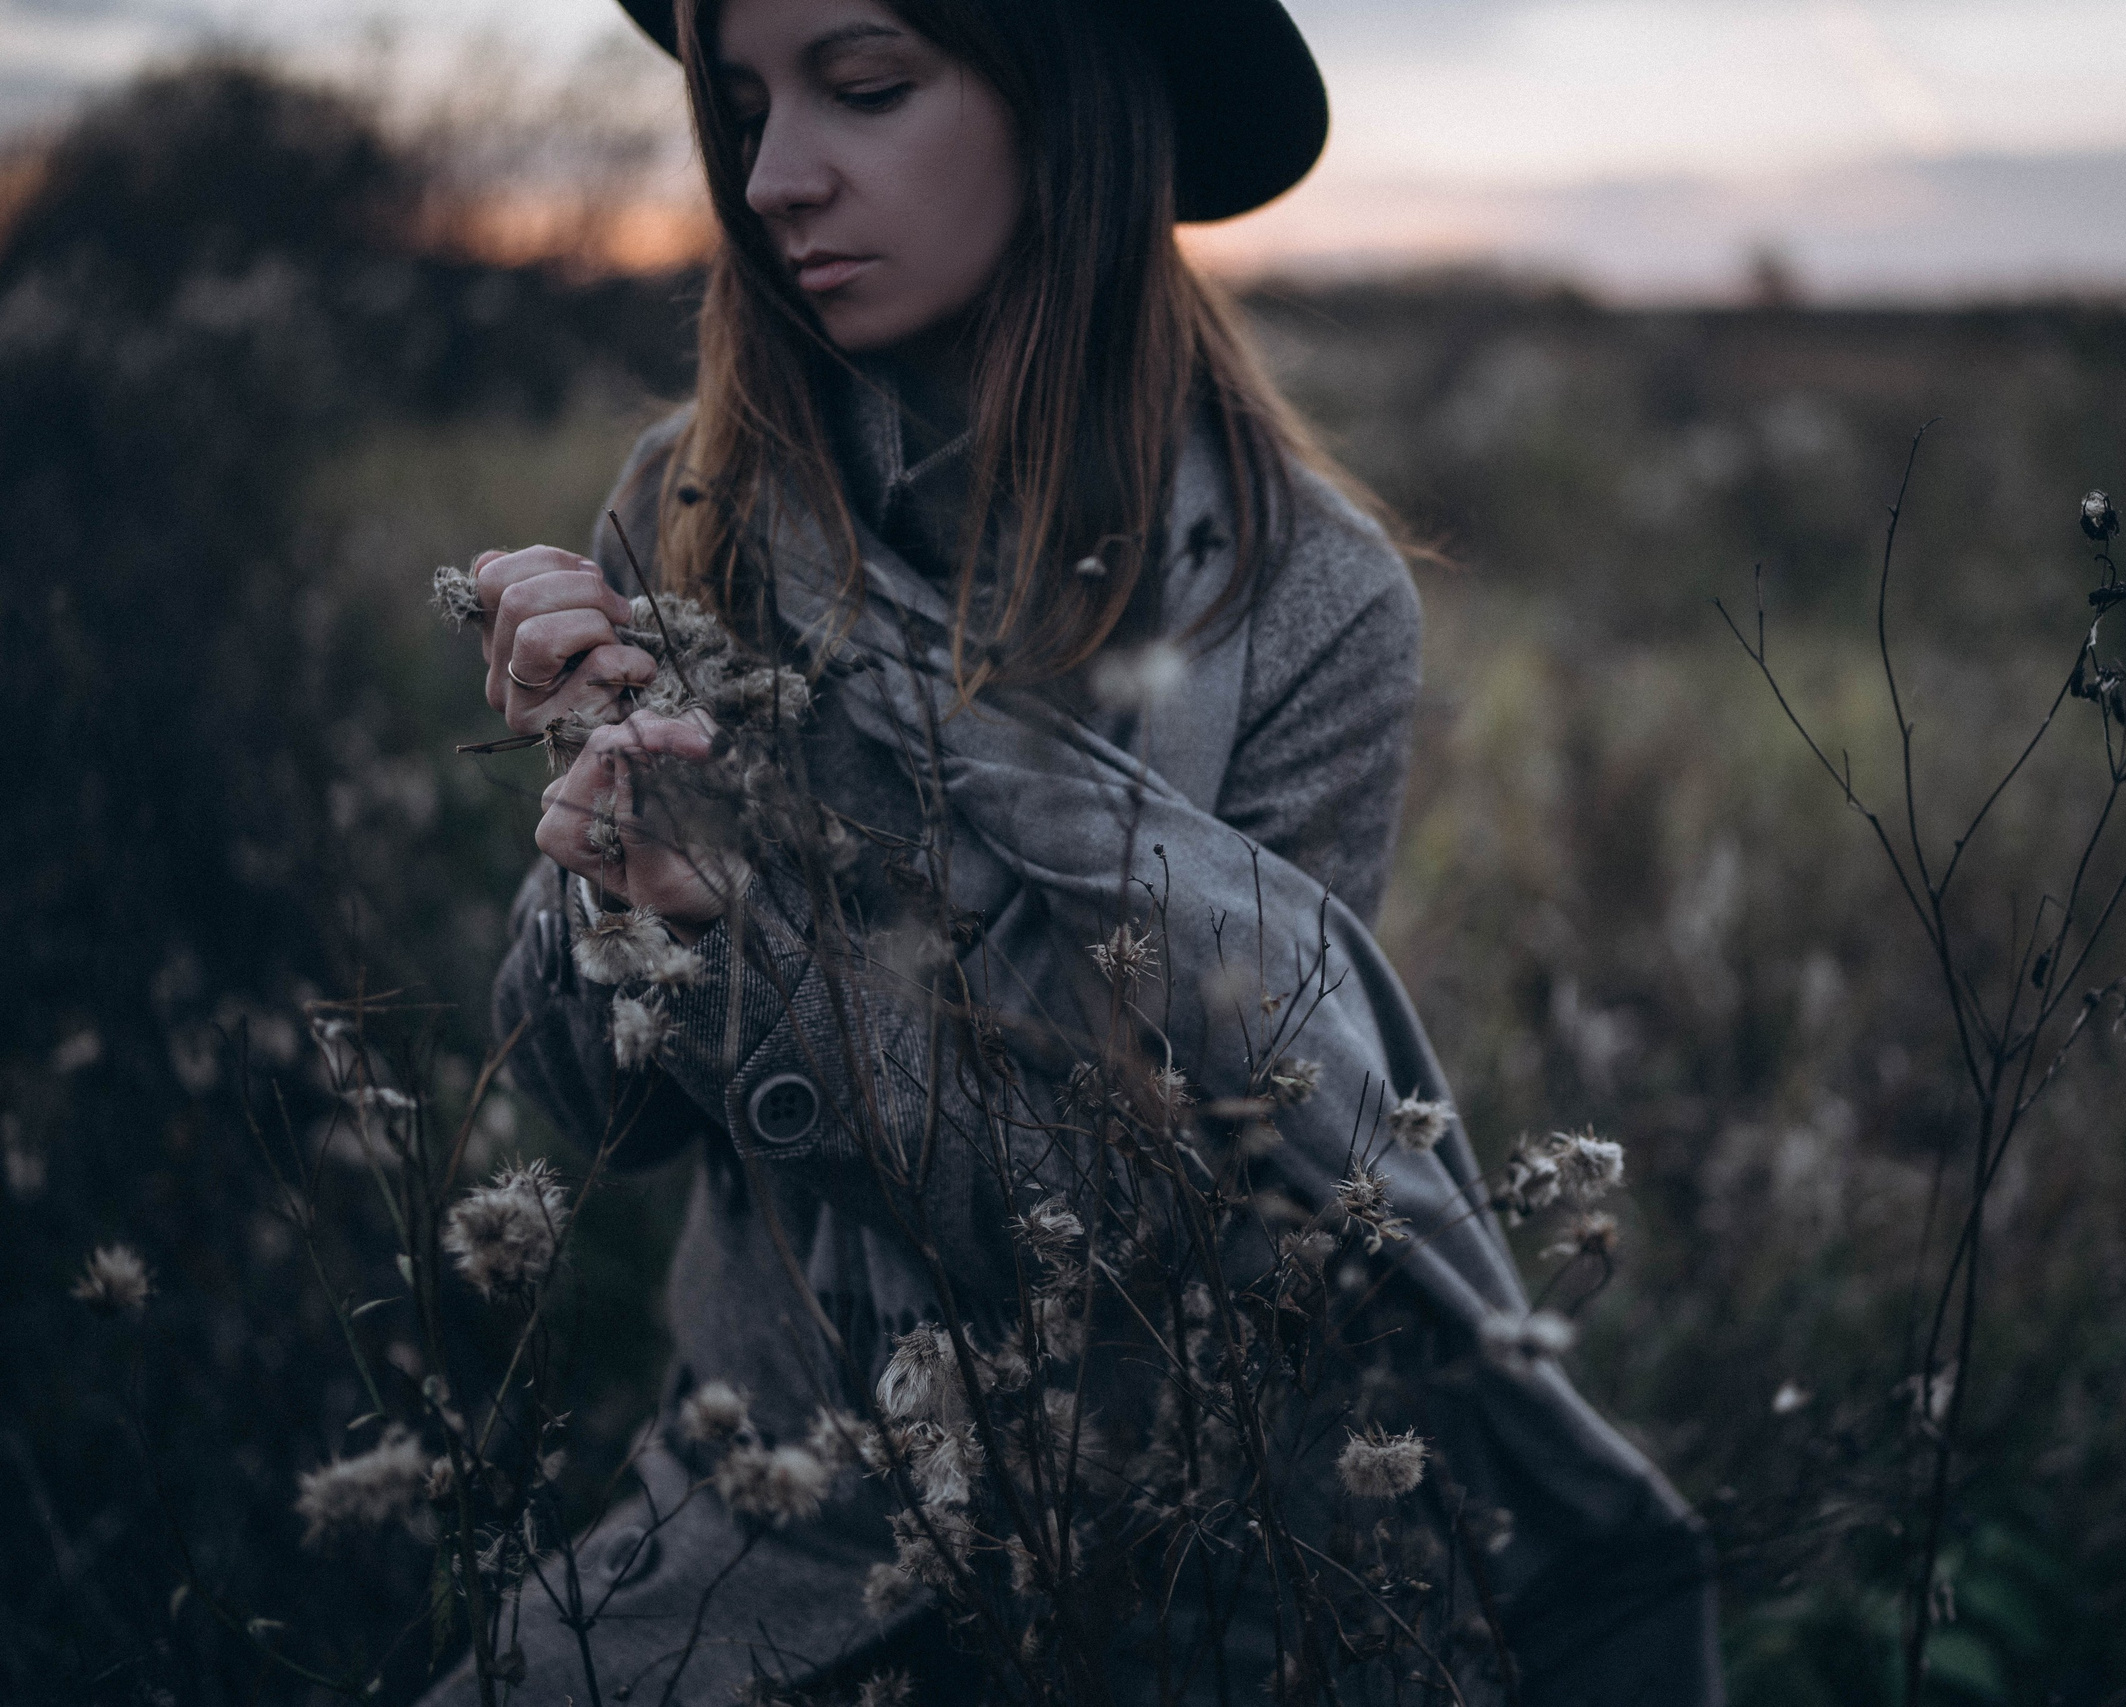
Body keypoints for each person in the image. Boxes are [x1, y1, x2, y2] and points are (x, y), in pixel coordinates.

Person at [440, 0, 1721, 1700]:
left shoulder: (1305, 610)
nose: (774, 178)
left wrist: (756, 958)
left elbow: (1156, 1240)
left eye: (868, 85)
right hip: (757, 1539)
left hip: (1173, 1578)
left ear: (1075, 108)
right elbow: (594, 1124)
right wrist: (609, 857)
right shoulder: (695, 501)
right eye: (740, 106)